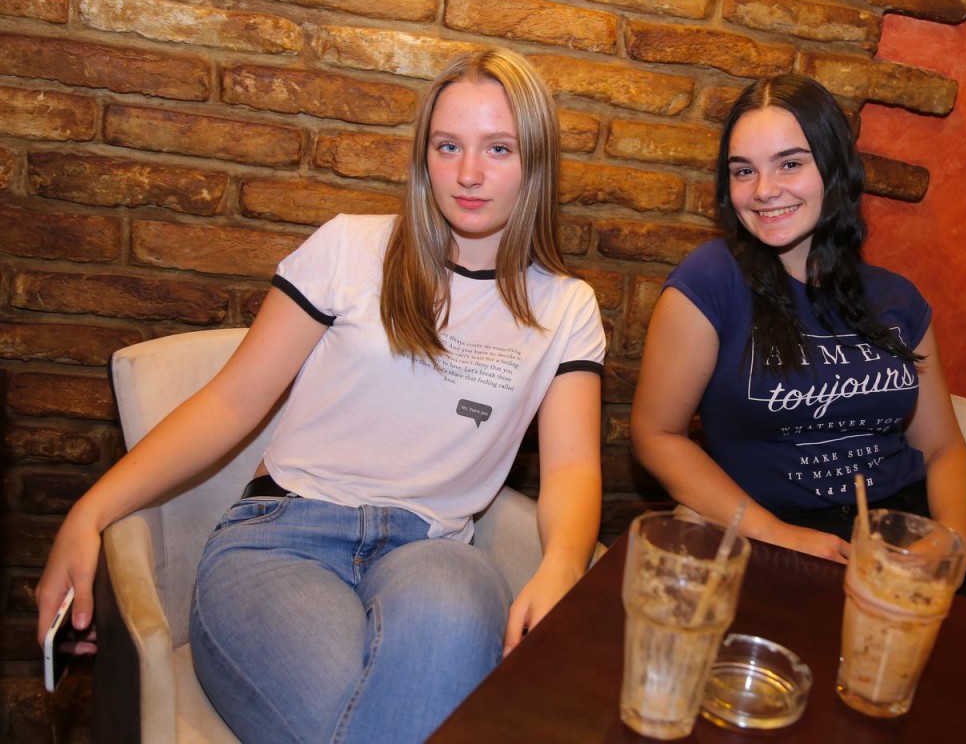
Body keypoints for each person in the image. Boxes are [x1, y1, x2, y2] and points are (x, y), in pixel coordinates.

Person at [35, 47, 606, 743]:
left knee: (432, 656)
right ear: (424, 154)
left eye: (499, 148)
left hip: (435, 551)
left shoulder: (566, 308)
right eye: (447, 145)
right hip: (282, 538)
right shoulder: (349, 249)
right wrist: (89, 511)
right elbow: (231, 402)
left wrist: (563, 566)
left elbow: (572, 466)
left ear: (536, 161)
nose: (468, 173)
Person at [630, 74, 966, 605]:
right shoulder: (710, 281)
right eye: (744, 170)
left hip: (901, 531)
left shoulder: (898, 299)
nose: (764, 190)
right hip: (773, 532)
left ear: (833, 167)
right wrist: (778, 534)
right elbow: (655, 434)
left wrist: (951, 546)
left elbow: (943, 448)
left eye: (790, 163)